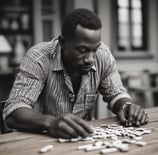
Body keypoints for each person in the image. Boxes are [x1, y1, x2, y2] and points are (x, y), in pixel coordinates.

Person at [3, 8, 148, 138]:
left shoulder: (103, 54)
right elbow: (14, 112)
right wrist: (51, 123)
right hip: (40, 140)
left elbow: (116, 94)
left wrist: (126, 105)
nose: (90, 59)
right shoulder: (38, 58)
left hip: (82, 140)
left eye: (95, 49)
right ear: (63, 43)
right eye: (82, 50)